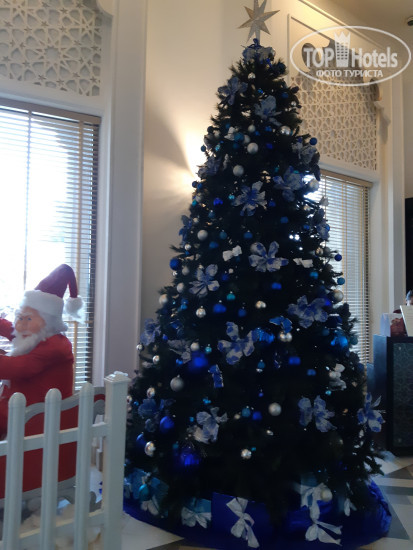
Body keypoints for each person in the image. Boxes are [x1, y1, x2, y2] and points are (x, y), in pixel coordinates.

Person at [0, 264, 83, 437]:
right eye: (19, 317)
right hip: (22, 411)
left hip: (39, 421)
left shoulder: (55, 346)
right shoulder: (35, 335)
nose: (21, 324)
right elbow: (11, 330)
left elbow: (19, 367)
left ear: (48, 321)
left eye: (28, 318)